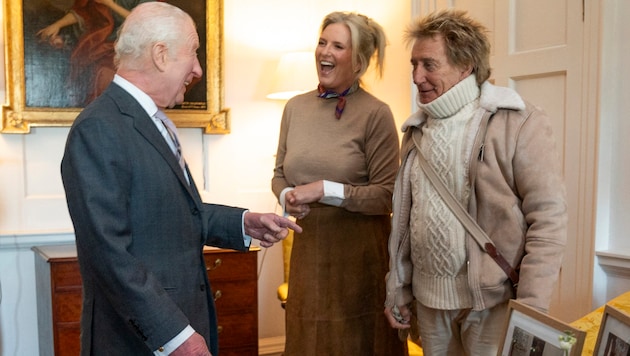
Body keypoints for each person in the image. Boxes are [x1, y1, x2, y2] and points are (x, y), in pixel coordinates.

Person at [60, 3, 302, 356]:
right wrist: (175, 336)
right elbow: (109, 256)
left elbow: (176, 212)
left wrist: (242, 223)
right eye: (193, 53)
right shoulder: (98, 128)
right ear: (160, 55)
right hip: (139, 342)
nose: (198, 69)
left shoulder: (153, 123)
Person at [384, 8, 568, 355]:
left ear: (465, 65)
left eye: (429, 64)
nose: (416, 76)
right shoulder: (415, 130)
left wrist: (530, 310)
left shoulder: (518, 122)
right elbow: (405, 223)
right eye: (413, 64)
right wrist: (397, 287)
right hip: (429, 305)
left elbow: (548, 221)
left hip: (492, 305)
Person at [272, 11, 405, 356]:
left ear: (358, 61)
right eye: (321, 42)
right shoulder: (295, 108)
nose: (324, 52)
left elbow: (387, 196)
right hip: (309, 256)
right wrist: (287, 195)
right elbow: (279, 174)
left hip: (360, 262)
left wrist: (324, 190)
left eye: (337, 45)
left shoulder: (376, 114)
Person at [37, 0, 151, 105]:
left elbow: (146, 23)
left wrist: (110, 4)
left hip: (131, 47)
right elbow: (84, 13)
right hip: (101, 42)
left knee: (105, 74)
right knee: (89, 69)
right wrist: (57, 25)